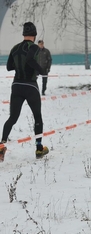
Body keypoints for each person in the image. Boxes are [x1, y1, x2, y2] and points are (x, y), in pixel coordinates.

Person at [0, 22, 49, 162]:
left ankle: (1, 145)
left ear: (24, 34)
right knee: (37, 117)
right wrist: (41, 70)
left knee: (12, 118)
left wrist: (19, 65)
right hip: (30, 86)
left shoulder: (15, 48)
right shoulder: (33, 47)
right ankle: (39, 148)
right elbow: (29, 59)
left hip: (16, 85)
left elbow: (9, 67)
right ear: (34, 35)